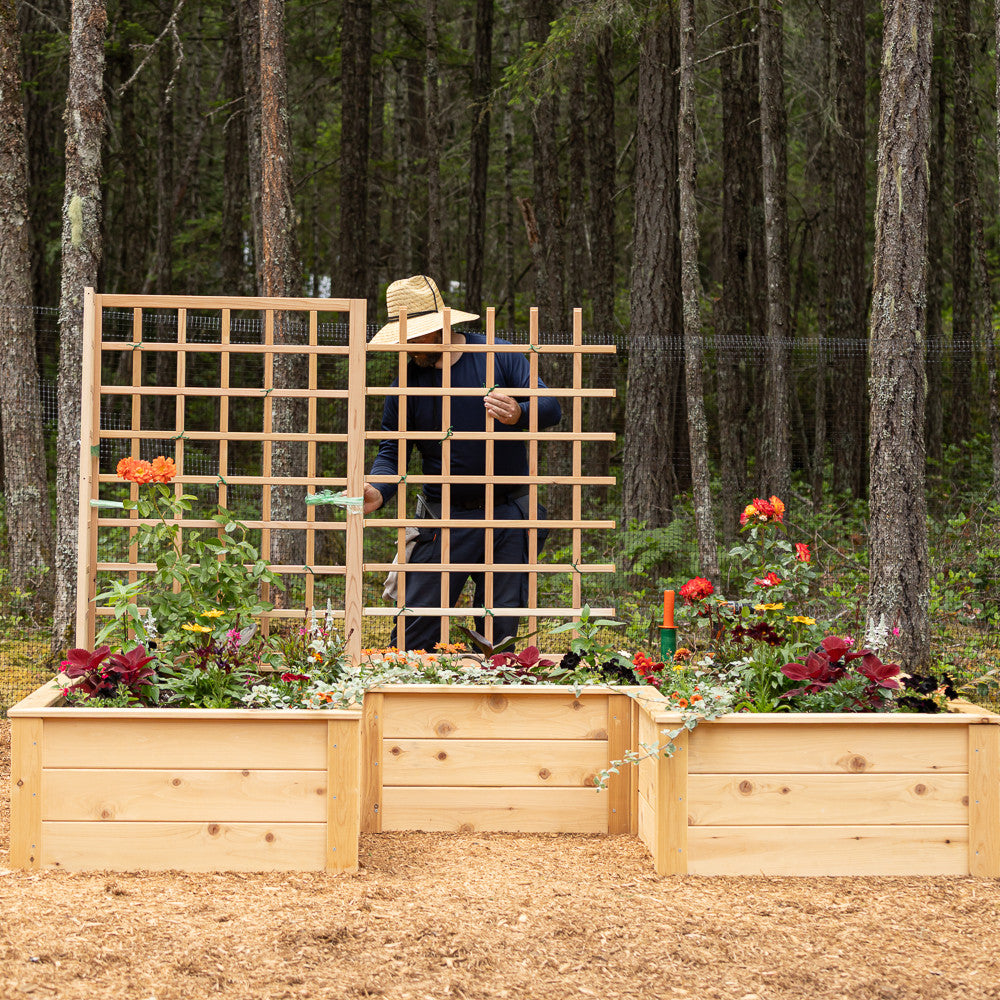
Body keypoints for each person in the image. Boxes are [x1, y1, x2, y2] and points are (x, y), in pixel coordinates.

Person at [363, 274, 562, 650]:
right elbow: (393, 450)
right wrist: (379, 489)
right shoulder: (406, 383)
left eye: (415, 336)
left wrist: (517, 413)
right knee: (412, 635)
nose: (407, 347)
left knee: (498, 635)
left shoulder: (495, 355)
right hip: (442, 518)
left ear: (441, 327)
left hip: (507, 514)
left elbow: (551, 406)